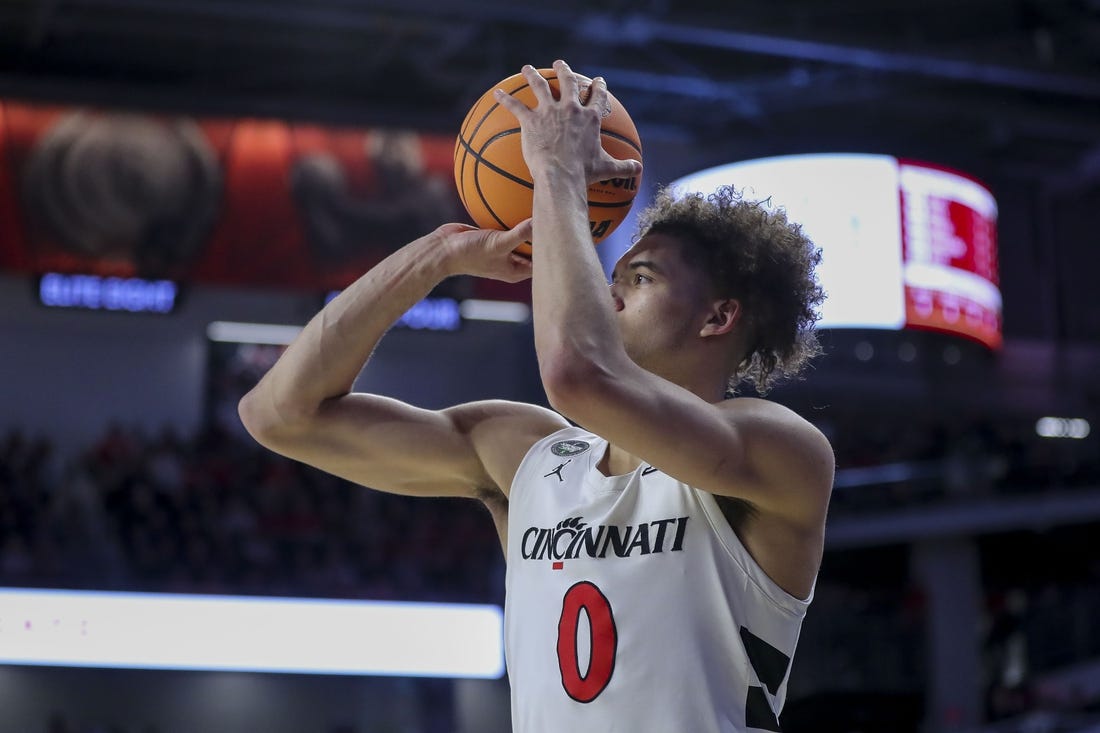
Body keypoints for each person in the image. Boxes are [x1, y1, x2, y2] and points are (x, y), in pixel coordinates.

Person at [239, 60, 834, 732]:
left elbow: (579, 374)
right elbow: (279, 415)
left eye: (638, 278)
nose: (609, 293)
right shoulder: (528, 456)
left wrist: (555, 169)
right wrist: (434, 257)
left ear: (716, 318)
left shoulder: (776, 451)